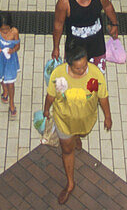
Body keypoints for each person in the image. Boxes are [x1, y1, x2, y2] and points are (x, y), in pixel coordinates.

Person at [43, 44, 112, 205]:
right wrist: (46, 109)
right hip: (64, 122)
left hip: (85, 121)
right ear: (69, 64)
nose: (82, 71)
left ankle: (78, 137)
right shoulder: (59, 75)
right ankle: (70, 183)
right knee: (67, 149)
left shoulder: (95, 75)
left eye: (84, 66)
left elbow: (102, 97)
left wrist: (107, 116)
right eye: (77, 69)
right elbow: (51, 96)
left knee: (79, 134)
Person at [0, 12, 21, 118]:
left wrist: (13, 50)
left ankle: (11, 103)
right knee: (1, 76)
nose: (5, 31)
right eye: (2, 29)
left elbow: (17, 46)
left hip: (10, 60)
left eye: (7, 29)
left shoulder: (15, 32)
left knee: (11, 83)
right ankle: (4, 90)